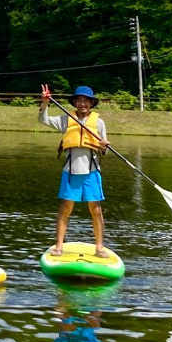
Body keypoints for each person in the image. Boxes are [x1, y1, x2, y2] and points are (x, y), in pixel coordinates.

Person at [39, 84, 109, 258]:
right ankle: (59, 247)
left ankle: (99, 247)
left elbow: (104, 149)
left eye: (86, 101)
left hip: (92, 171)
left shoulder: (98, 122)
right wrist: (45, 103)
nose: (82, 104)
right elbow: (43, 120)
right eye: (79, 100)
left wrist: (103, 146)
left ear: (91, 103)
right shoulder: (65, 119)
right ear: (75, 102)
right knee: (65, 209)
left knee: (96, 210)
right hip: (71, 171)